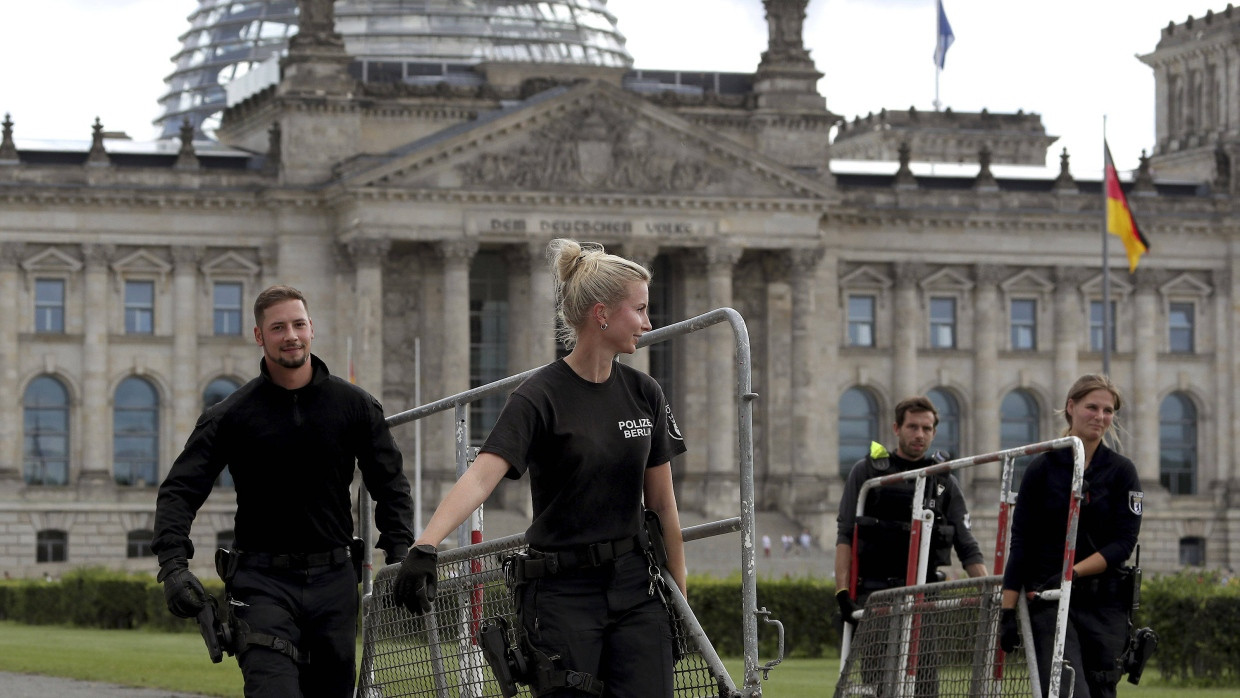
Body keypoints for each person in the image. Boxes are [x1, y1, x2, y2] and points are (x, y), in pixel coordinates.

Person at [392, 238, 688, 698]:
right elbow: (482, 475)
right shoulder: (538, 397)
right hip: (561, 594)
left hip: (635, 589)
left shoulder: (645, 392)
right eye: (641, 309)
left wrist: (679, 602)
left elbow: (664, 506)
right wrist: (427, 545)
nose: (649, 324)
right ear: (603, 313)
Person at [152, 284, 415, 697]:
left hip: (333, 582)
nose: (290, 335)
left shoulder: (356, 407)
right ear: (260, 336)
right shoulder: (229, 416)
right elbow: (179, 491)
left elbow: (391, 484)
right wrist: (172, 564)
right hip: (261, 582)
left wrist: (399, 554)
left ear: (312, 329)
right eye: (278, 327)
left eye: (298, 324)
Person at [1000, 374, 1143, 698]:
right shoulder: (1042, 467)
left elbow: (1123, 543)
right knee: (1069, 691)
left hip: (1103, 602)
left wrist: (1072, 573)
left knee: (1101, 690)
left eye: (1108, 410)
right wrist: (1007, 612)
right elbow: (1021, 542)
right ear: (1070, 407)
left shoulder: (1123, 471)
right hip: (1049, 599)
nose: (1100, 416)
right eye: (1092, 407)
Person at [835, 396, 988, 621]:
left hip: (925, 597)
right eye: (912, 427)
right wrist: (842, 591)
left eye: (926, 428)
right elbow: (846, 533)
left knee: (926, 657)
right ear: (897, 428)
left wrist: (992, 595)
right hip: (876, 593)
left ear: (934, 433)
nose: (919, 434)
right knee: (878, 656)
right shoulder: (867, 473)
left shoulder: (944, 482)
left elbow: (967, 546)